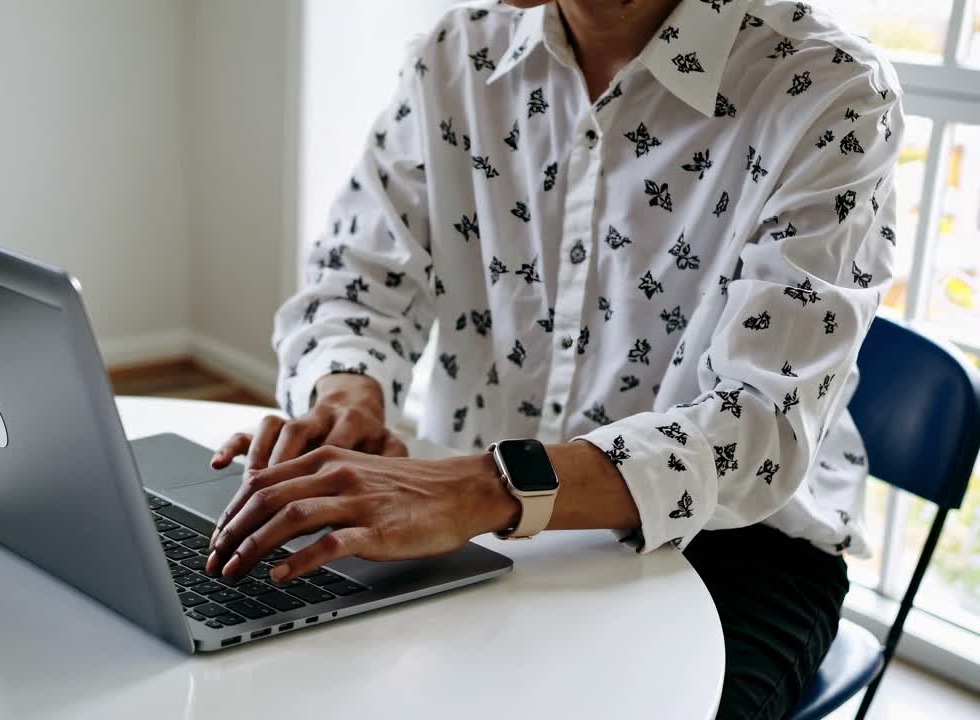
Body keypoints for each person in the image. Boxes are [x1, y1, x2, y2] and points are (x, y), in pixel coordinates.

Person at [205, 1, 901, 717]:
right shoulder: (458, 51)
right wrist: (347, 397)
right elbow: (357, 278)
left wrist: (482, 488)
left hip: (733, 546)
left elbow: (755, 432)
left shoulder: (830, 89)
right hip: (465, 499)